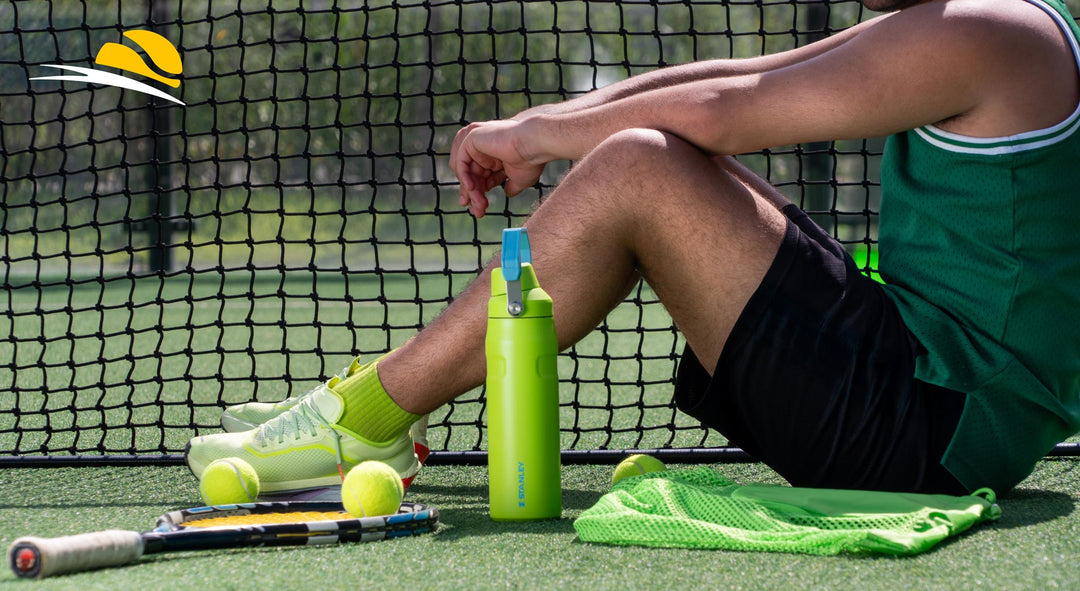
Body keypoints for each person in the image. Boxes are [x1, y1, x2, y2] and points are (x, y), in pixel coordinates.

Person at [187, 0, 1080, 496]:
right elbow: (736, 78)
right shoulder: (979, 19)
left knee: (639, 169)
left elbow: (726, 113)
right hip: (932, 400)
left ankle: (366, 421)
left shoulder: (987, 31)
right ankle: (376, 411)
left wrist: (540, 134)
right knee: (651, 160)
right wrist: (545, 125)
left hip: (929, 430)